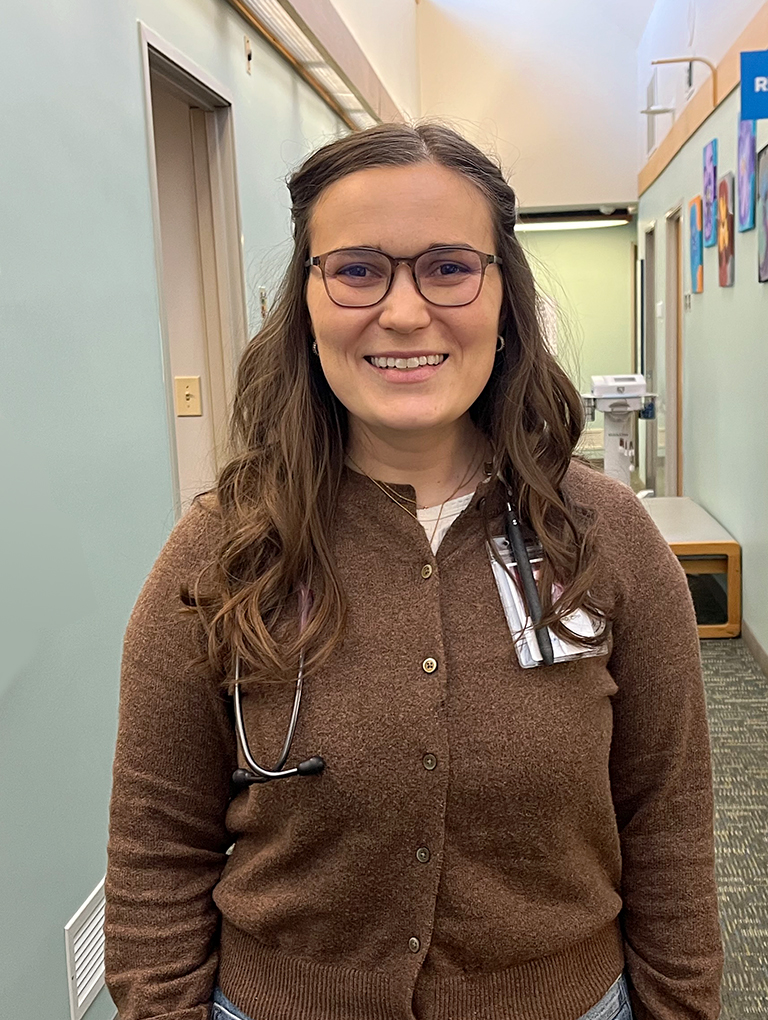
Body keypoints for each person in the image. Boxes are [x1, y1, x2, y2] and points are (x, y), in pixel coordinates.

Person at [105, 122, 723, 1020]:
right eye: (357, 269)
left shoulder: (607, 538)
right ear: (307, 300)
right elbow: (156, 852)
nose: (401, 312)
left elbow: (669, 829)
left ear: (503, 294)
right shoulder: (221, 550)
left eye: (448, 267)